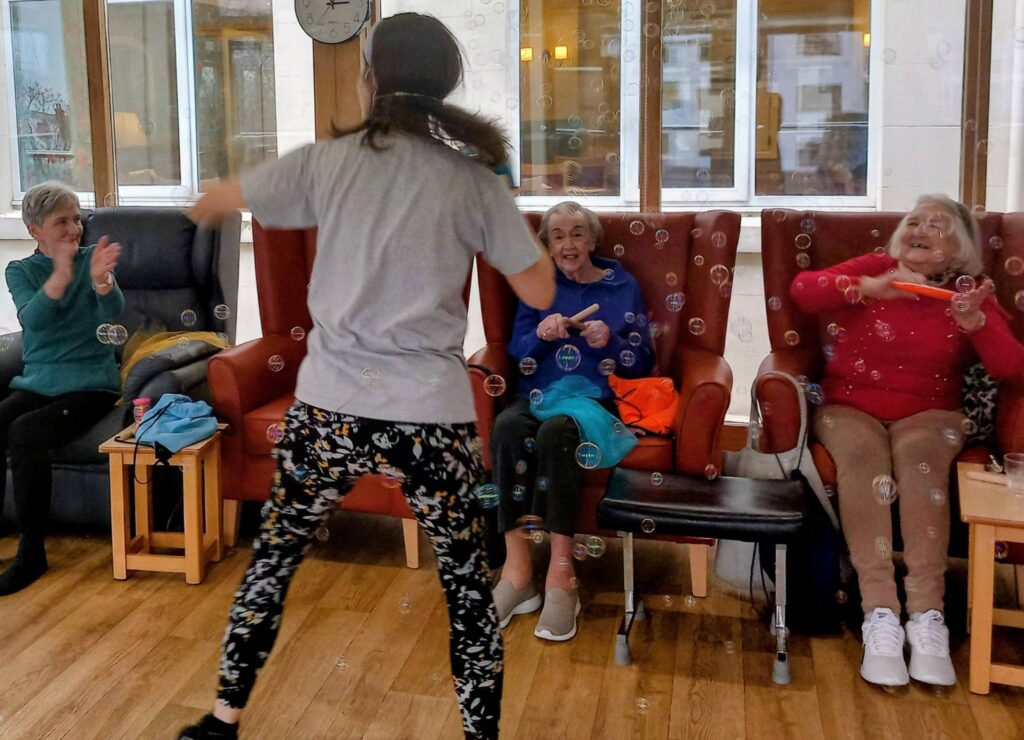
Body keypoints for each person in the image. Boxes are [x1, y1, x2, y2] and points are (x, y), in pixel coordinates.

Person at [178, 13, 554, 740]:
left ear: (371, 79)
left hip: (328, 407)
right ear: (445, 87)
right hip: (432, 413)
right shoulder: (471, 180)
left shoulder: (329, 162)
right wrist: (503, 202)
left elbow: (215, 201)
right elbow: (538, 291)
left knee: (276, 559)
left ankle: (222, 719)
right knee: (468, 587)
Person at [790, 194, 1024, 687]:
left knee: (920, 463)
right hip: (849, 405)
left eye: (935, 225)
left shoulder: (972, 291)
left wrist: (975, 324)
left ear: (958, 246)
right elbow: (804, 290)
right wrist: (868, 287)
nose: (918, 229)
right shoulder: (878, 268)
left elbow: (1009, 367)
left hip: (933, 411)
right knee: (862, 459)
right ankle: (879, 613)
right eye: (913, 221)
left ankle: (926, 616)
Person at [490, 201, 654, 641]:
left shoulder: (622, 285)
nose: (569, 243)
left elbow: (640, 363)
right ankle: (517, 571)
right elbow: (518, 354)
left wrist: (611, 340)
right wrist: (541, 336)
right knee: (506, 426)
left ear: (593, 241)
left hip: (595, 399)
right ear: (547, 244)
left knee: (558, 433)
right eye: (558, 235)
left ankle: (562, 578)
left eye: (578, 233)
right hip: (539, 394)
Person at [0, 181, 123, 594]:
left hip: (91, 385)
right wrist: (62, 273)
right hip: (40, 382)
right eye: (62, 221)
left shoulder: (92, 259)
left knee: (25, 432)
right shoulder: (20, 270)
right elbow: (34, 321)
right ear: (34, 229)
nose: (75, 229)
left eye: (77, 219)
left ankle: (32, 552)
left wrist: (102, 282)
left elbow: (115, 313)